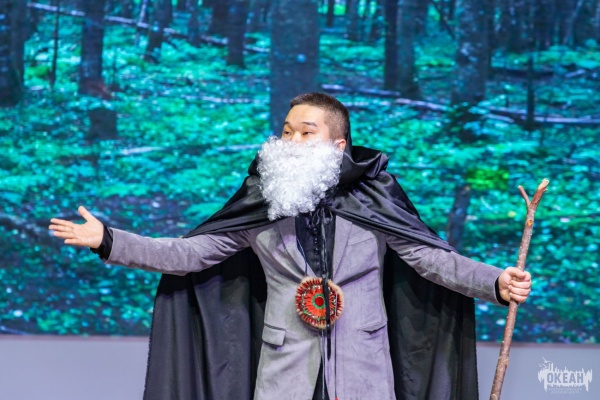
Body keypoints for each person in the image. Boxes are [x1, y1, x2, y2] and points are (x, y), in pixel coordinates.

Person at [50, 93, 531, 400]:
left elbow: (430, 259)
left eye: (306, 132)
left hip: (362, 371)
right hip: (286, 371)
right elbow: (189, 254)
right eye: (286, 131)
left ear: (338, 146)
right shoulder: (263, 202)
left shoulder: (375, 200)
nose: (292, 140)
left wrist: (494, 282)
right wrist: (109, 240)